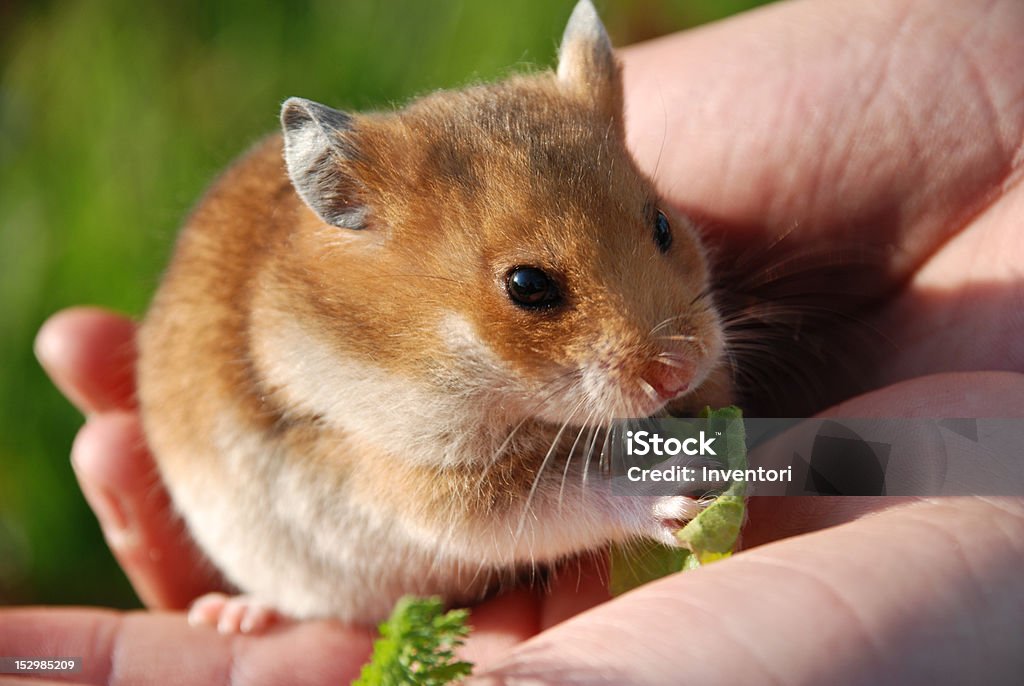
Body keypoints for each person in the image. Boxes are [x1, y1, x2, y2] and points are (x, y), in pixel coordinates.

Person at [9, 0, 1024, 682]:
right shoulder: (372, 341)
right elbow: (449, 501)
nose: (665, 353)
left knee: (889, 452)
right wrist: (627, 490)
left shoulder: (598, 193)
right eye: (535, 290)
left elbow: (688, 391)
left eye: (660, 235)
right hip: (314, 522)